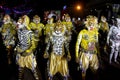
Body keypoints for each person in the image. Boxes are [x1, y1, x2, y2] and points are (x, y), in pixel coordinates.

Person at [14, 15, 40, 80]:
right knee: (20, 67)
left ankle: (36, 77)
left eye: (22, 21)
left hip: (28, 53)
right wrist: (16, 47)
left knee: (32, 67)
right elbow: (20, 41)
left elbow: (33, 45)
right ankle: (20, 78)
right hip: (21, 53)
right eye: (19, 21)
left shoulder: (29, 32)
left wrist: (26, 50)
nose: (19, 22)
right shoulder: (19, 31)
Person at [75, 15, 99, 80]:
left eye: (93, 24)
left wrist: (98, 55)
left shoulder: (95, 33)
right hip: (84, 54)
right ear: (87, 24)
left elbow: (97, 44)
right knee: (83, 70)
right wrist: (76, 56)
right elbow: (77, 44)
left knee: (95, 69)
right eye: (90, 24)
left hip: (93, 54)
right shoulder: (82, 32)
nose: (91, 25)